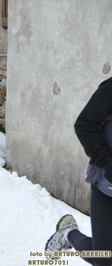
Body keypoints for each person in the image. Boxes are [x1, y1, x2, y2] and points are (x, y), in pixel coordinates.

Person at [45, 77, 112, 265]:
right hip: (108, 185)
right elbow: (84, 125)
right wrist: (108, 164)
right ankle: (68, 234)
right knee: (105, 258)